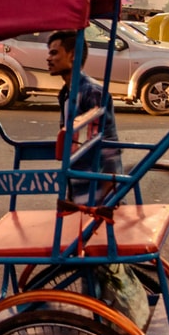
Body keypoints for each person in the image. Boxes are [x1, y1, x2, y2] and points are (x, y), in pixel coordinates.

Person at [46, 30, 121, 205]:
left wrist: (110, 195)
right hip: (77, 184)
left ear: (72, 55)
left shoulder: (92, 92)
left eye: (54, 53)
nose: (48, 58)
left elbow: (108, 146)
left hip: (95, 191)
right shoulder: (65, 93)